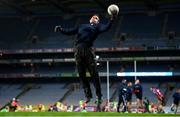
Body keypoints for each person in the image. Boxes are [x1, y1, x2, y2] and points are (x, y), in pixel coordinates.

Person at [54, 14, 116, 111]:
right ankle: (88, 96)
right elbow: (70, 31)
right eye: (95, 17)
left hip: (88, 50)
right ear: (90, 18)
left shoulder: (98, 27)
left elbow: (107, 27)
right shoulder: (81, 26)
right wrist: (60, 29)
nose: (96, 19)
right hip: (78, 51)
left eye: (98, 19)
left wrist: (112, 19)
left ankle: (99, 96)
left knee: (94, 74)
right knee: (82, 75)